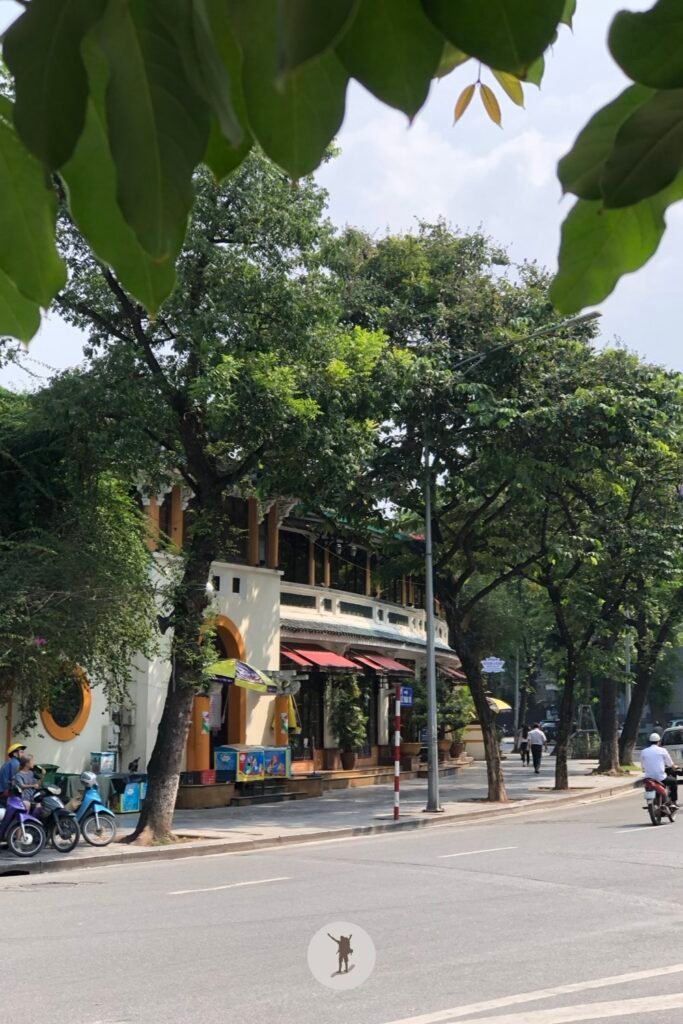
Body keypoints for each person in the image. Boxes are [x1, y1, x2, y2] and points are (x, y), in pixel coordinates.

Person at [641, 732, 678, 808]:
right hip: (661, 777)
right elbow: (670, 763)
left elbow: (643, 765)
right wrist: (675, 768)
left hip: (649, 778)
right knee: (673, 781)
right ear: (659, 741)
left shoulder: (644, 751)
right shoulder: (662, 750)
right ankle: (673, 801)